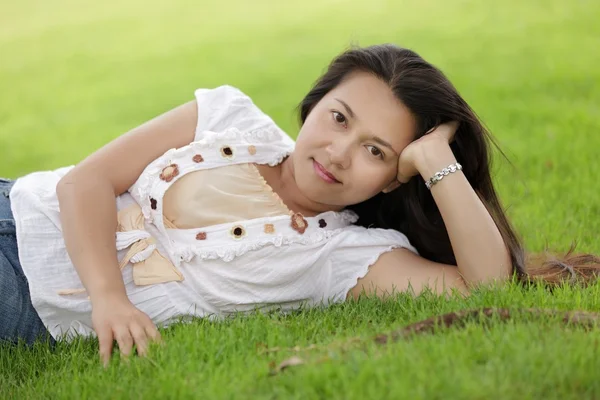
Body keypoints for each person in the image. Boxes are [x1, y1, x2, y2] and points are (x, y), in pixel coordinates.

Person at [1, 44, 598, 366]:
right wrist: (108, 297)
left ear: (395, 179)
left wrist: (437, 159)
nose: (338, 153)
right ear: (314, 105)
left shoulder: (342, 255)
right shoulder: (226, 114)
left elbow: (487, 284)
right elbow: (83, 183)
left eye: (375, 150)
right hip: (16, 204)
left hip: (25, 302)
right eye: (338, 117)